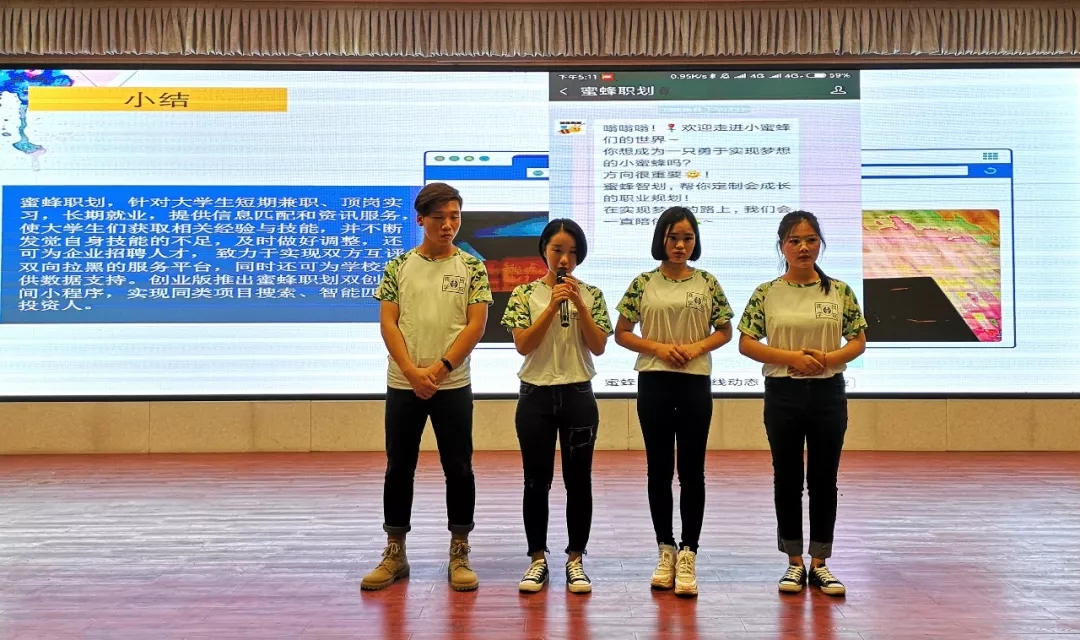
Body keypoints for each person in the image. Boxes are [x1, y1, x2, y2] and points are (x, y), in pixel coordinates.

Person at [361, 182, 492, 592]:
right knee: (399, 467)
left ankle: (460, 550)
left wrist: (440, 368)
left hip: (453, 384)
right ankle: (395, 552)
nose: (448, 225)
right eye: (439, 218)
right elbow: (388, 322)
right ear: (421, 219)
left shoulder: (472, 267)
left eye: (455, 217)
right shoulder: (398, 266)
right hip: (404, 383)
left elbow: (476, 325)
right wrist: (411, 371)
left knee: (459, 467)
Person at [737, 210, 867, 597]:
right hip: (783, 394)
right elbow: (746, 343)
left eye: (810, 240)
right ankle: (794, 561)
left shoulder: (839, 291)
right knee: (788, 477)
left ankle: (820, 563)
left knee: (824, 479)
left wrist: (826, 360)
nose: (803, 247)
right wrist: (791, 358)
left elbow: (858, 340)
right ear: (782, 247)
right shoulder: (767, 292)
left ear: (820, 244)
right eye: (794, 241)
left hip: (828, 393)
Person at [613, 206, 734, 597]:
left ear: (695, 241)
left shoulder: (707, 282)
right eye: (673, 238)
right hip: (654, 381)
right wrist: (659, 348)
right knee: (659, 469)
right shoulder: (643, 282)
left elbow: (725, 330)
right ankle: (664, 549)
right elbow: (622, 332)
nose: (680, 245)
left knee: (693, 471)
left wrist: (695, 348)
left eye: (687, 238)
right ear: (661, 240)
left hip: (695, 382)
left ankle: (688, 553)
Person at [500, 218, 612, 595]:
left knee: (579, 482)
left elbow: (598, 346)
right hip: (536, 396)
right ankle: (537, 559)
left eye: (573, 252)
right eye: (558, 250)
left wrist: (578, 303)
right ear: (544, 251)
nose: (565, 259)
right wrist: (551, 306)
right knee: (536, 481)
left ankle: (576, 560)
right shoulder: (524, 294)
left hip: (578, 395)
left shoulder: (592, 294)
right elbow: (523, 345)